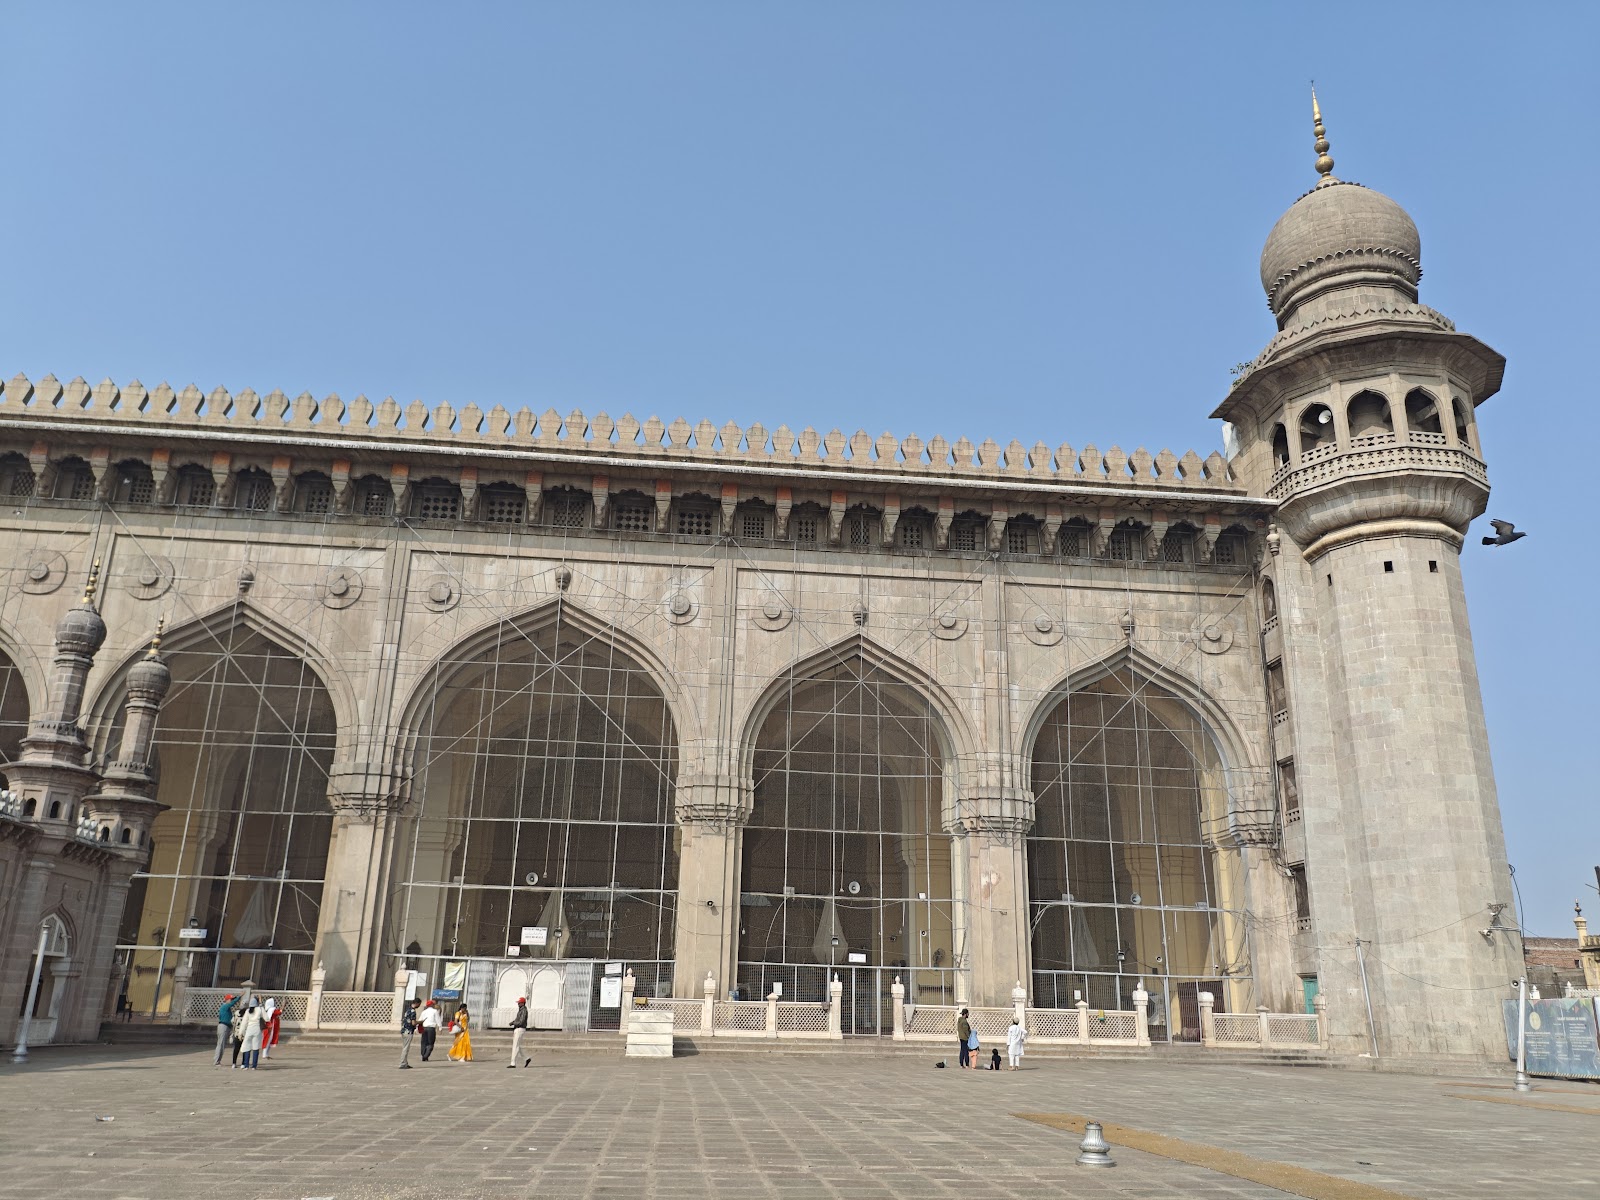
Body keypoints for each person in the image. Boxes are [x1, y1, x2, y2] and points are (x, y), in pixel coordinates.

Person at [237, 1000, 265, 1070]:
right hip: (257, 1030)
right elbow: (267, 1018)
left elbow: (244, 1023)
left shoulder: (247, 1011)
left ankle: (246, 1065)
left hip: (249, 1030)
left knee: (247, 1047)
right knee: (255, 1048)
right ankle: (254, 1066)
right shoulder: (260, 1009)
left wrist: (240, 1033)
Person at [212, 994, 238, 1067]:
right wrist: (239, 997)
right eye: (231, 999)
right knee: (220, 1044)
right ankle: (216, 1061)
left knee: (222, 1044)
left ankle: (218, 1060)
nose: (232, 1001)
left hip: (226, 1026)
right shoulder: (225, 1006)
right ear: (227, 1000)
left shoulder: (226, 1008)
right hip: (223, 1026)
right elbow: (232, 1003)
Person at [508, 996, 529, 1068]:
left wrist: (514, 1023)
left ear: (523, 1003)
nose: (518, 1004)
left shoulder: (524, 1011)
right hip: (518, 1028)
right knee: (518, 1046)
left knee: (515, 1046)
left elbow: (521, 1021)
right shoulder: (521, 1010)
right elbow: (518, 1019)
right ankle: (527, 1058)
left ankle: (513, 1063)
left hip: (520, 1029)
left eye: (519, 1003)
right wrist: (513, 1022)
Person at [398, 999, 418, 1069]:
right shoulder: (413, 1011)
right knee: (406, 1048)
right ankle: (403, 1063)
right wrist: (420, 1022)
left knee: (405, 1047)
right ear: (416, 1003)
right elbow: (413, 1023)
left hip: (404, 1030)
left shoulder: (408, 1010)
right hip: (409, 1031)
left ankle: (405, 1062)